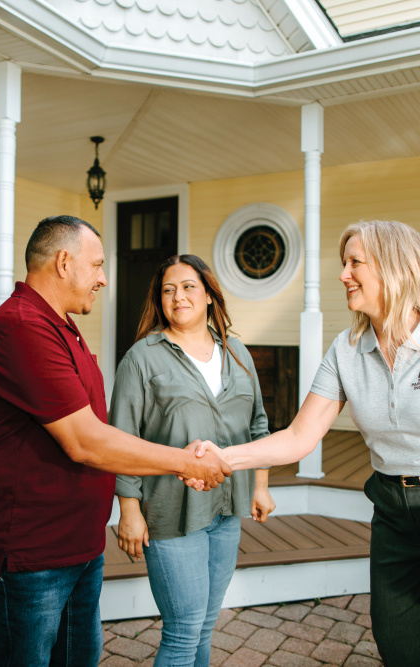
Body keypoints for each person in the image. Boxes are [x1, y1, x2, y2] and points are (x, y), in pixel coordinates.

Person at [192, 220, 420, 666]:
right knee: (398, 647)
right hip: (395, 517)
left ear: (396, 267)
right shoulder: (346, 349)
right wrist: (226, 457)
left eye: (355, 262)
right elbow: (299, 437)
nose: (343, 274)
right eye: (344, 263)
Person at [0, 216, 232, 667]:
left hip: (76, 546)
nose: (104, 278)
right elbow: (87, 441)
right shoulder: (22, 327)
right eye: (98, 265)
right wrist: (184, 462)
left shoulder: (59, 325)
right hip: (30, 555)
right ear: (65, 262)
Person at [110, 255, 275, 666]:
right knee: (183, 632)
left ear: (208, 296)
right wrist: (128, 510)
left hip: (227, 510)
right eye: (168, 290)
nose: (178, 296)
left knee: (204, 625)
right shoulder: (142, 359)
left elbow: (258, 422)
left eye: (187, 287)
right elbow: (123, 440)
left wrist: (261, 485)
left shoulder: (236, 352)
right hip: (170, 512)